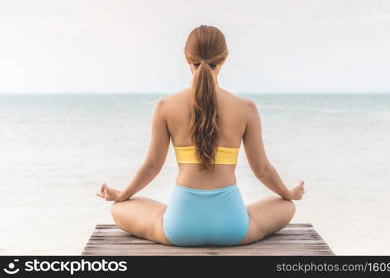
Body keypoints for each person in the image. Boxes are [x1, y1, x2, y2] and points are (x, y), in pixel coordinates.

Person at [97, 25, 305, 246]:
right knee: (286, 206)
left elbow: (152, 166)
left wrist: (122, 195)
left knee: (120, 208)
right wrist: (287, 192)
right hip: (232, 227)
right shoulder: (246, 108)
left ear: (187, 58)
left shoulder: (165, 106)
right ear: (224, 59)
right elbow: (262, 169)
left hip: (180, 226)